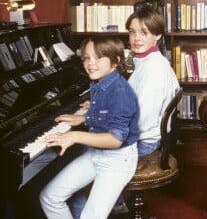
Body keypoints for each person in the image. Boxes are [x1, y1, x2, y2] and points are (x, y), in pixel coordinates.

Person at [69, 7, 179, 217]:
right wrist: (97, 109)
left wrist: (94, 118)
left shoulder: (153, 70)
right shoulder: (145, 61)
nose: (136, 38)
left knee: (81, 157)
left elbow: (141, 122)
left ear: (157, 36)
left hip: (145, 141)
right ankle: (114, 204)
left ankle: (91, 211)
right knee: (82, 149)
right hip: (149, 135)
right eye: (132, 31)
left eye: (144, 32)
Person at [39, 36, 139, 219]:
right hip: (96, 153)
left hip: (117, 161)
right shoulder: (100, 83)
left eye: (98, 57)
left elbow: (115, 140)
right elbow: (105, 115)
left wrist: (73, 136)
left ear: (116, 61)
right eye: (86, 57)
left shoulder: (120, 91)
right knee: (49, 197)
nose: (90, 64)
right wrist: (83, 119)